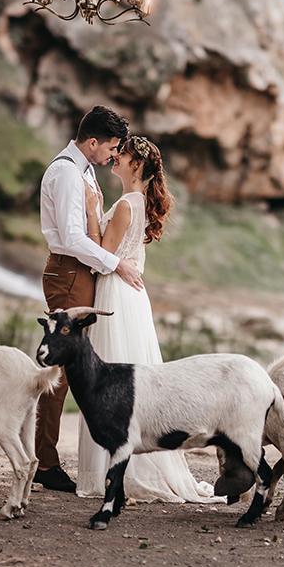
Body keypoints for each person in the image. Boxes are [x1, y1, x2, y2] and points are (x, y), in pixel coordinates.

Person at [76, 135, 221, 503]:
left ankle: (115, 470)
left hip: (116, 294)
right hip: (130, 295)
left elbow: (100, 253)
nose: (114, 160)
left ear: (136, 164)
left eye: (120, 155)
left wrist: (93, 210)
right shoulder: (134, 202)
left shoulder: (126, 204)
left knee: (110, 381)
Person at [34, 106, 143, 493]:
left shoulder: (85, 169)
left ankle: (46, 456)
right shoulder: (65, 172)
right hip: (68, 271)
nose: (115, 155)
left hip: (81, 271)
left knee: (76, 366)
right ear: (92, 142)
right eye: (111, 147)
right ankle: (44, 463)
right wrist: (118, 265)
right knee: (59, 370)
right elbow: (74, 238)